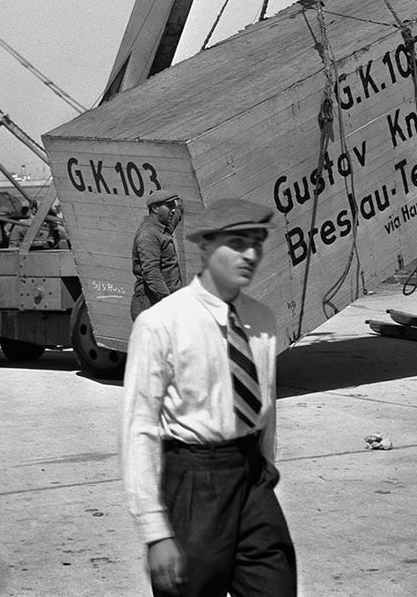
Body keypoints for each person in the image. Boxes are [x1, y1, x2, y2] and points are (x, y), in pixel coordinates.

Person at [121, 197, 296, 597]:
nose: (250, 254)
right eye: (237, 242)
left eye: (256, 242)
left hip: (253, 480)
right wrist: (155, 531)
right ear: (205, 246)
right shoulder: (161, 323)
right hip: (194, 483)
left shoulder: (262, 320)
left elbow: (265, 408)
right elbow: (139, 428)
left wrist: (265, 472)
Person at [129, 192, 184, 320]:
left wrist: (179, 207)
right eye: (169, 206)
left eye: (173, 206)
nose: (173, 210)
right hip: (152, 304)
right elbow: (151, 273)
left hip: (162, 302)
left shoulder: (161, 229)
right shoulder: (148, 235)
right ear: (155, 208)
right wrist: (168, 301)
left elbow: (174, 217)